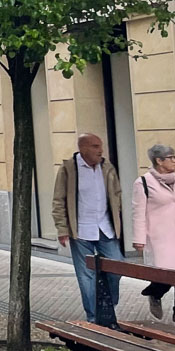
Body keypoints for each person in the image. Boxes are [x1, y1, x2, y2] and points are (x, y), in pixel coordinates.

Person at [51, 132, 125, 325]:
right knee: (86, 275)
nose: (100, 150)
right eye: (95, 146)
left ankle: (109, 309)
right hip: (81, 229)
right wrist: (62, 228)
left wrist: (119, 220)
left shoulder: (107, 167)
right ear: (83, 148)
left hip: (105, 228)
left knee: (116, 268)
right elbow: (58, 200)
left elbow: (116, 195)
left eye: (100, 146)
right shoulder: (68, 169)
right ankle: (94, 317)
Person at [131, 142, 175, 326]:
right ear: (159, 161)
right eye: (171, 157)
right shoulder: (143, 183)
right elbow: (138, 212)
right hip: (160, 235)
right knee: (166, 273)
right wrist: (139, 239)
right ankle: (154, 292)